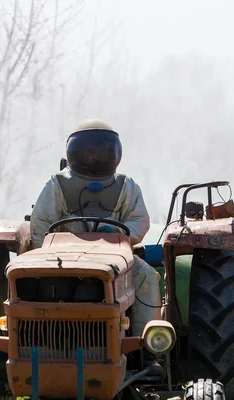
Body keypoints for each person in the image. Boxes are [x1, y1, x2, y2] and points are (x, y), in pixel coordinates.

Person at [30, 119, 162, 344]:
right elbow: (41, 223)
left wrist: (122, 234)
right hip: (61, 260)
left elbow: (139, 220)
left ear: (115, 153)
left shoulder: (126, 185)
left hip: (116, 259)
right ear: (75, 152)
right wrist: (48, 255)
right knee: (29, 281)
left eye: (101, 152)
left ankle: (146, 348)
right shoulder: (58, 184)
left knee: (147, 277)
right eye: (89, 152)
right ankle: (35, 340)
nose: (94, 157)